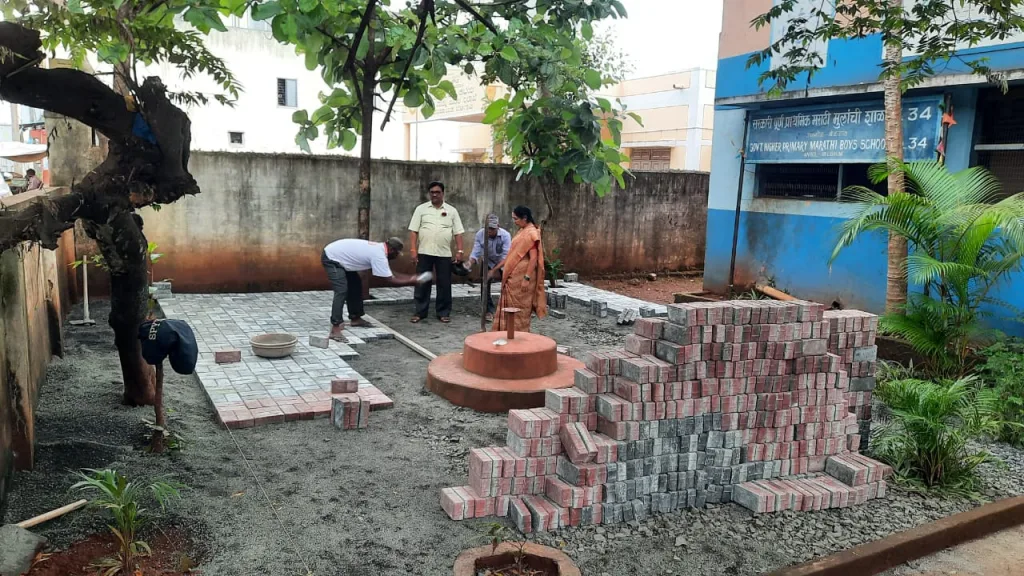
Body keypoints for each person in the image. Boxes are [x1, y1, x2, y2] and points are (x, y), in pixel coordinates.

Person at [322, 237, 423, 343]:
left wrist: (411, 278)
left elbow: (389, 273)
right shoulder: (379, 255)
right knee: (341, 291)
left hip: (342, 257)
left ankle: (355, 318)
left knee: (355, 285)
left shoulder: (379, 249)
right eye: (397, 253)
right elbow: (390, 279)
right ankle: (335, 329)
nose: (396, 256)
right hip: (332, 258)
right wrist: (412, 280)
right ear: (392, 250)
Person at [408, 181, 465, 324]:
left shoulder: (452, 211)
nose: (434, 195)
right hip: (424, 252)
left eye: (437, 192)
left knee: (444, 284)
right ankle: (420, 312)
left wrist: (460, 250)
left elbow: (458, 233)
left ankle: (443, 312)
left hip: (444, 254)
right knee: (422, 282)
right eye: (432, 192)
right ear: (429, 194)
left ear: (443, 193)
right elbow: (414, 231)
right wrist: (413, 250)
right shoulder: (421, 209)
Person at [490, 206, 547, 333]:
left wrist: (526, 278)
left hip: (523, 279)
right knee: (509, 308)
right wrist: (496, 269)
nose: (514, 221)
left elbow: (533, 258)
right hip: (512, 279)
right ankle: (506, 333)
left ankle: (520, 335)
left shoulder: (531, 233)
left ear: (524, 218)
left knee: (520, 310)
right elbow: (512, 254)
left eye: (516, 219)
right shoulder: (522, 230)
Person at [468, 213, 511, 322]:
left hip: (502, 261)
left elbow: (506, 257)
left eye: (492, 229)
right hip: (488, 260)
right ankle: (488, 310)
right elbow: (476, 251)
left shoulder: (505, 235)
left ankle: (509, 308)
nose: (489, 231)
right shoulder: (480, 234)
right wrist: (470, 262)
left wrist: (494, 270)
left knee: (509, 284)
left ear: (498, 227)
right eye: (488, 228)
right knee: (485, 284)